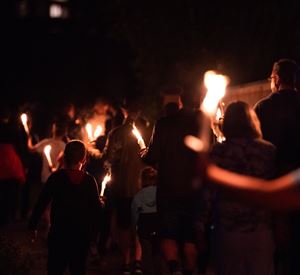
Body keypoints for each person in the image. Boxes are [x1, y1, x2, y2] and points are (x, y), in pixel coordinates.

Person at [142, 89, 205, 275]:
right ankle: (189, 270)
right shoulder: (203, 124)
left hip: (168, 187)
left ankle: (173, 267)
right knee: (190, 235)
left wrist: (144, 154)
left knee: (168, 232)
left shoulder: (164, 124)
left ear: (180, 101)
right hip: (194, 189)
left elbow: (152, 156)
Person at [210, 101, 276, 275]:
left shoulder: (218, 152)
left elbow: (208, 192)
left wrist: (200, 225)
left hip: (228, 230)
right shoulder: (268, 151)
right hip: (260, 229)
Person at [28, 140, 102, 275]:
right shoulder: (89, 181)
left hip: (59, 233)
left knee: (55, 269)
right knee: (78, 269)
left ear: (64, 157)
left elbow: (41, 202)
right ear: (84, 159)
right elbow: (95, 210)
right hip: (80, 235)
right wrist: (93, 234)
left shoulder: (56, 178)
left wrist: (32, 226)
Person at [254, 58, 300, 274]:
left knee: (277, 237)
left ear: (277, 79)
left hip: (273, 180)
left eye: (271, 78)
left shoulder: (263, 107)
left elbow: (255, 145)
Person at [102, 100, 144, 275]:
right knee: (138, 225)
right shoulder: (145, 132)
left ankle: (127, 262)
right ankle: (138, 262)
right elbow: (148, 155)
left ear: (123, 111)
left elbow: (108, 158)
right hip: (140, 185)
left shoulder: (116, 133)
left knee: (124, 224)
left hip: (122, 186)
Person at [131, 166, 161, 275]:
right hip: (157, 224)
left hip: (144, 225)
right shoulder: (160, 193)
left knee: (146, 252)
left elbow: (134, 213)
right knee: (157, 252)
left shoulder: (139, 195)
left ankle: (148, 271)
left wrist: (134, 228)